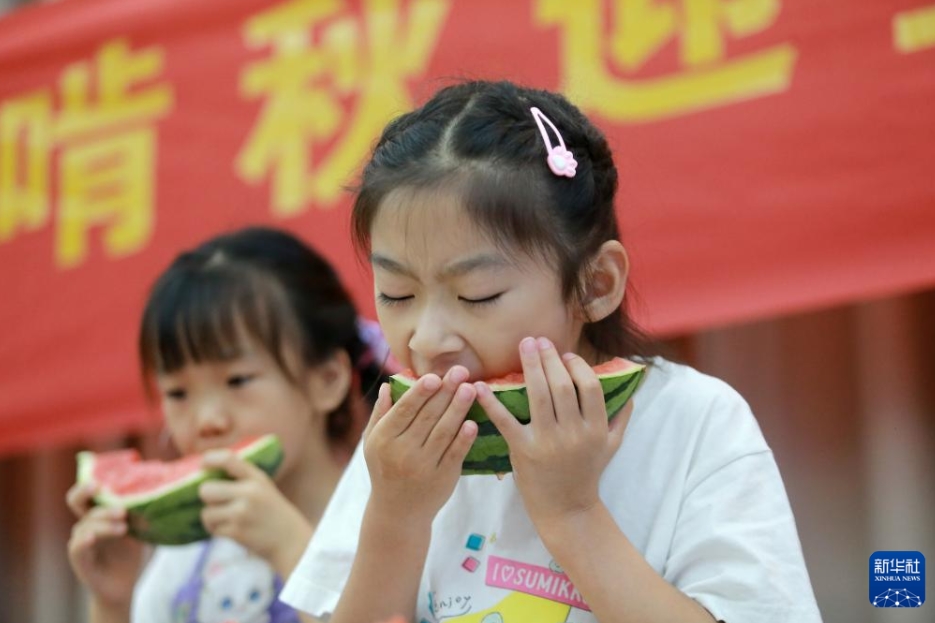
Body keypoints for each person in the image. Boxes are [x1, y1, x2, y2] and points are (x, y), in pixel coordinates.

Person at [280, 81, 823, 623]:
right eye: (396, 295)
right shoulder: (399, 447)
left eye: (478, 296)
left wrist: (573, 512)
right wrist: (394, 518)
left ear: (595, 284)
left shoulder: (695, 421)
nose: (425, 339)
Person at [66, 226, 390, 623]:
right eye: (177, 393)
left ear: (327, 381)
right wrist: (112, 604)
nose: (207, 421)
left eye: (237, 380)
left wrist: (291, 551)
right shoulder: (183, 561)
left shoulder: (388, 525)